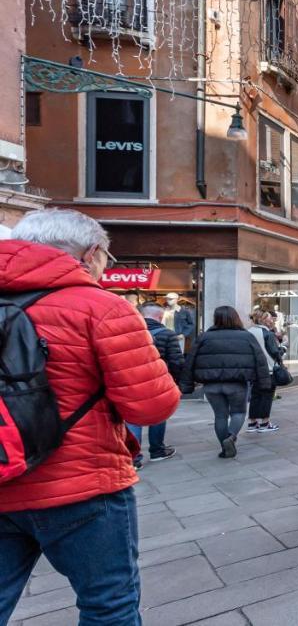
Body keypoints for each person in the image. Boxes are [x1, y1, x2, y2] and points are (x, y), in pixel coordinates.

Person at [0, 209, 181, 625]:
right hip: (80, 484)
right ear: (92, 253)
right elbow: (151, 406)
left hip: (3, 477)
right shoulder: (100, 308)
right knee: (108, 605)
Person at [180, 306, 272, 458]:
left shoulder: (204, 337)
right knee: (238, 412)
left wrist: (186, 384)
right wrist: (264, 383)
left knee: (220, 416)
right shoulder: (246, 336)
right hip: (237, 383)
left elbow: (190, 361)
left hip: (211, 385)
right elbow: (260, 360)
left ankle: (224, 447)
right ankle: (231, 437)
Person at [126, 302, 184, 465]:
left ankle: (133, 457)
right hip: (157, 382)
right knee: (159, 414)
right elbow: (176, 362)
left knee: (133, 418)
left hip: (131, 381)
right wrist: (176, 383)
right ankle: (157, 450)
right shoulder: (167, 334)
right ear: (160, 316)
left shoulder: (127, 333)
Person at [246, 308, 284, 433]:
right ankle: (265, 423)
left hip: (253, 370)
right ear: (263, 319)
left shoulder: (248, 332)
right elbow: (275, 352)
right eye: (268, 318)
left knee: (255, 396)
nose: (271, 320)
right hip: (268, 369)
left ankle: (252, 423)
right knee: (267, 396)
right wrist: (283, 348)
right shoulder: (267, 334)